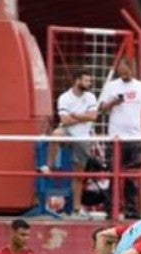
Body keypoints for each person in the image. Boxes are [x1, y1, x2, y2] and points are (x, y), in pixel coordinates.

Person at [98, 58, 141, 219]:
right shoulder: (111, 86)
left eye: (126, 71)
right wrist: (113, 102)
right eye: (121, 71)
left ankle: (131, 210)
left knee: (132, 175)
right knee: (112, 173)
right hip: (115, 137)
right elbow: (101, 109)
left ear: (132, 69)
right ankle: (111, 209)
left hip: (134, 136)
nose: (123, 74)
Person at [41, 68, 98, 211]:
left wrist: (76, 116)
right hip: (67, 133)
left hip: (83, 136)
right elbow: (64, 121)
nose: (89, 83)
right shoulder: (64, 97)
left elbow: (93, 116)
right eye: (86, 80)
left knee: (78, 175)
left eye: (90, 80)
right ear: (77, 80)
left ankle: (77, 207)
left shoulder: (91, 97)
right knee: (56, 134)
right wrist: (83, 117)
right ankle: (49, 165)